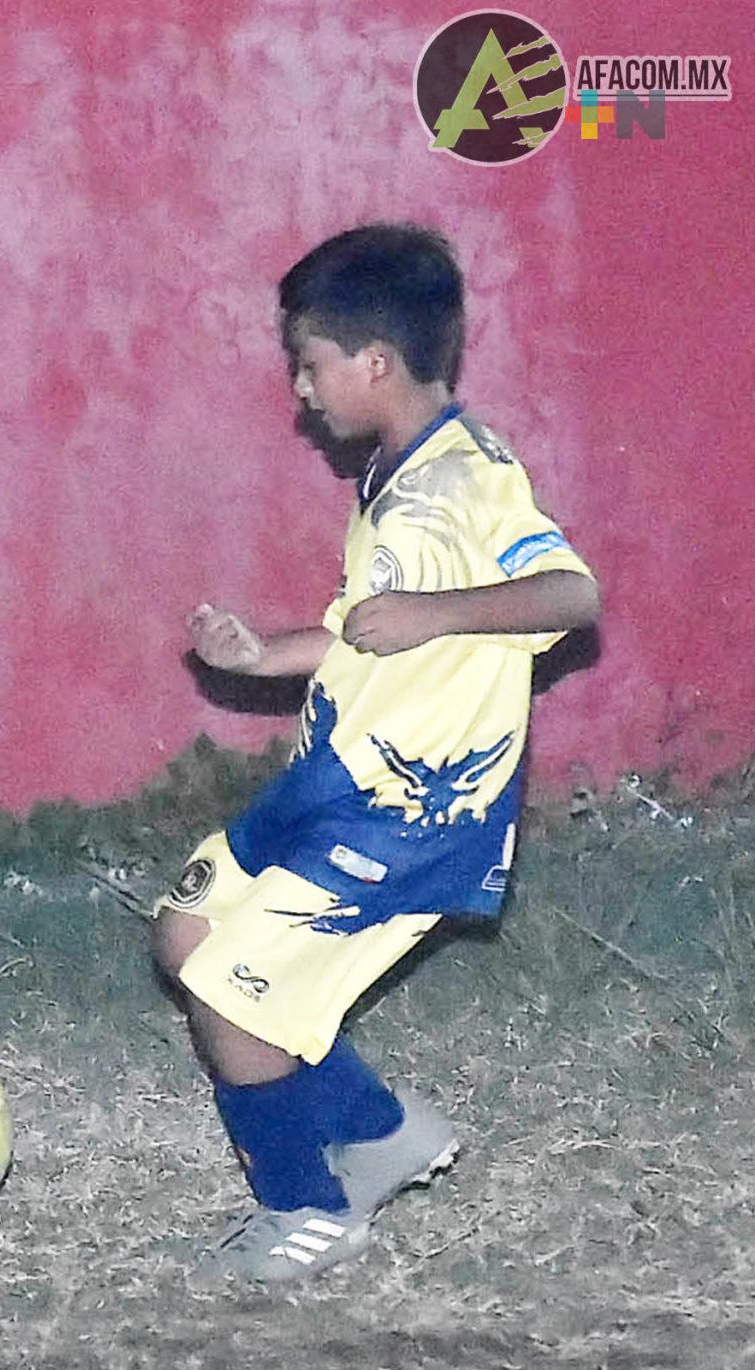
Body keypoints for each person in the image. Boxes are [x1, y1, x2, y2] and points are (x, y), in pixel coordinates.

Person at [152, 223, 600, 1284]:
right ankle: (382, 1129)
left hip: (410, 818)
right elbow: (367, 629)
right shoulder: (395, 476)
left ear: (374, 363)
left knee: (229, 998)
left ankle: (306, 1211)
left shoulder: (467, 484)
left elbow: (572, 595)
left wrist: (437, 614)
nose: (301, 391)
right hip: (336, 778)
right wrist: (264, 652)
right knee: (183, 935)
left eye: (307, 365)